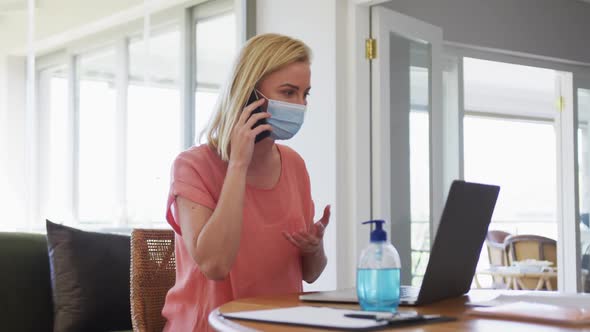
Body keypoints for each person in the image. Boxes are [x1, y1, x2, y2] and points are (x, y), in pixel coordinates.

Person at [162, 33, 331, 331]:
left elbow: (311, 274)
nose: (300, 105)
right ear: (250, 95)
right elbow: (215, 266)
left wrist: (314, 248)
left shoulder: (294, 165)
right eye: (289, 93)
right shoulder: (192, 166)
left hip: (280, 324)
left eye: (305, 94)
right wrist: (238, 164)